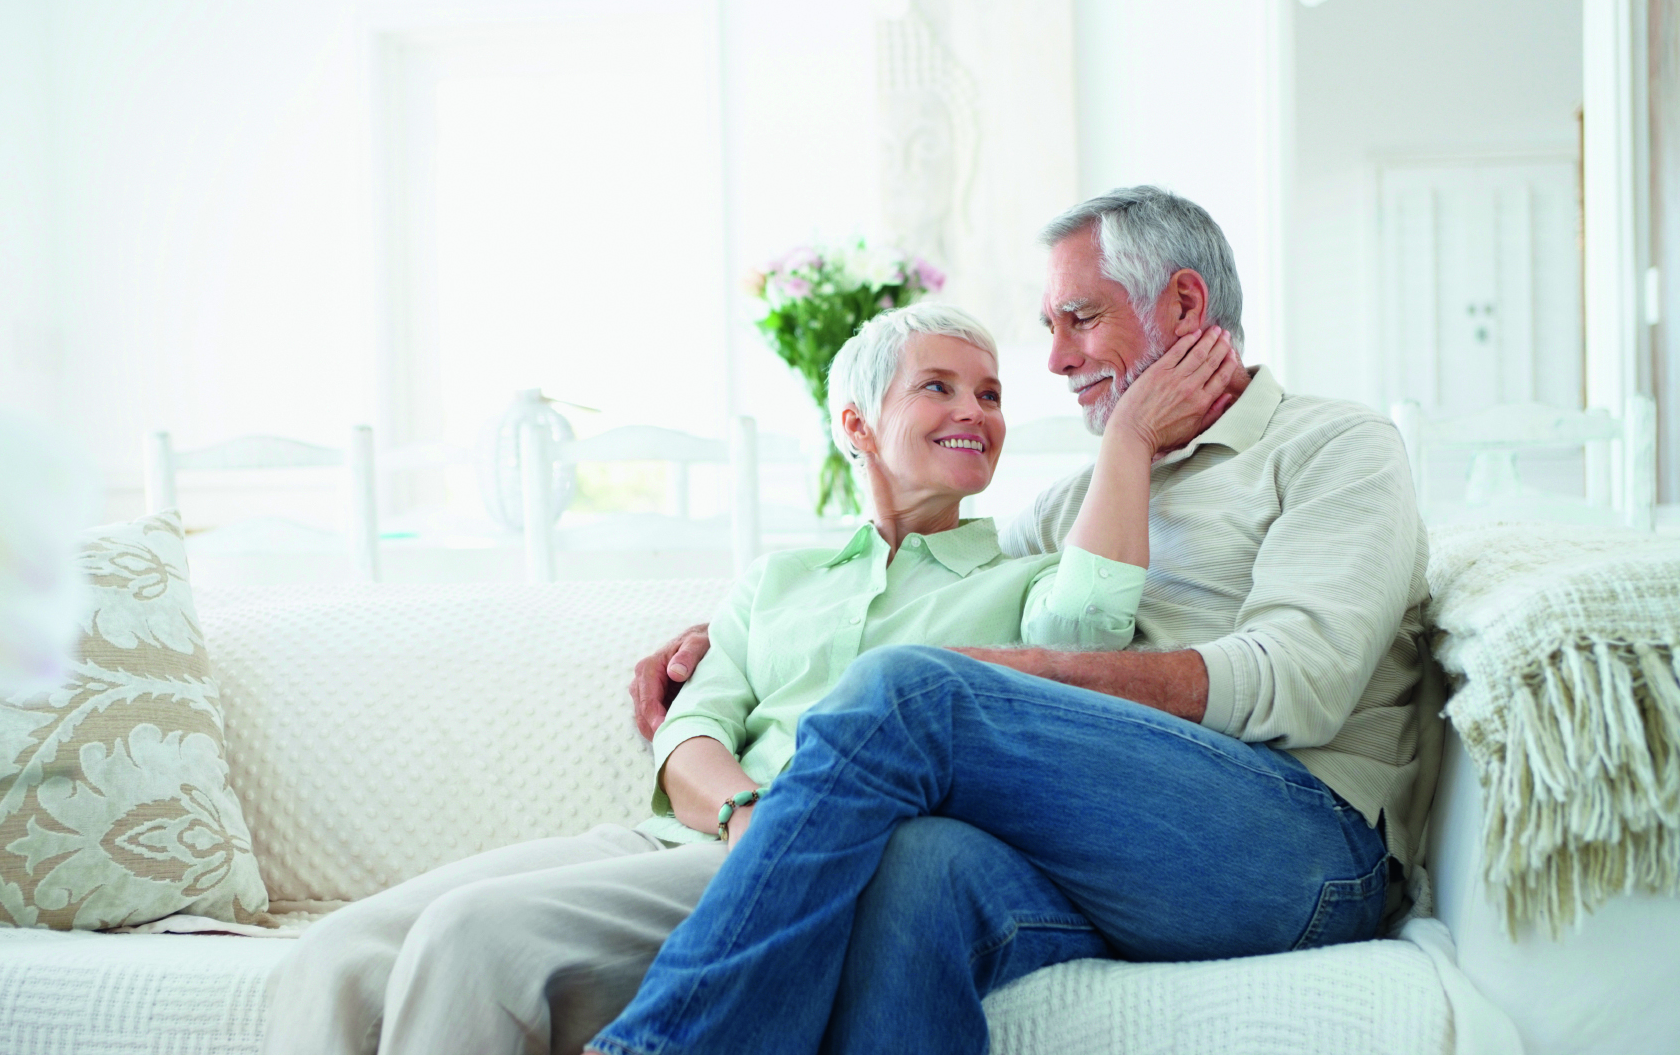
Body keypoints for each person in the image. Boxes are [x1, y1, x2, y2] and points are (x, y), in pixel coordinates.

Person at [259, 300, 1233, 1055]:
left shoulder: (1024, 588)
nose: (975, 411)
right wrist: (738, 813)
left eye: (990, 395)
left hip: (809, 865)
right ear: (856, 421)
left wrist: (1127, 442)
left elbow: (1091, 625)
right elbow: (690, 730)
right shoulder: (779, 579)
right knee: (335, 954)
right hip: (687, 837)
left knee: (475, 937)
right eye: (939, 387)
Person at [600, 185, 1435, 1055]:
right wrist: (733, 630)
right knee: (916, 866)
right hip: (1118, 844)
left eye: (1080, 318)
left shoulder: (1335, 446)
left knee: (913, 690)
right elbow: (935, 572)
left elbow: (1300, 680)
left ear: (1184, 305)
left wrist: (1025, 674)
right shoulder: (1076, 502)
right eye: (1050, 327)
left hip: (1299, 849)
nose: (1057, 360)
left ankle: (658, 1047)